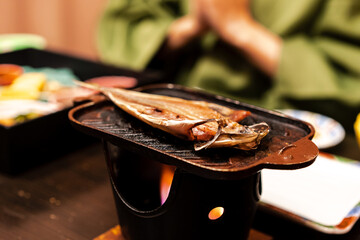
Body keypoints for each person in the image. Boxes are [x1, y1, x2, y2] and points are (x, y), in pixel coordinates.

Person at [96, 0, 360, 130]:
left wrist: (241, 30)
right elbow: (122, 31)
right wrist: (191, 26)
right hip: (169, 114)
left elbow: (349, 79)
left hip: (288, 125)